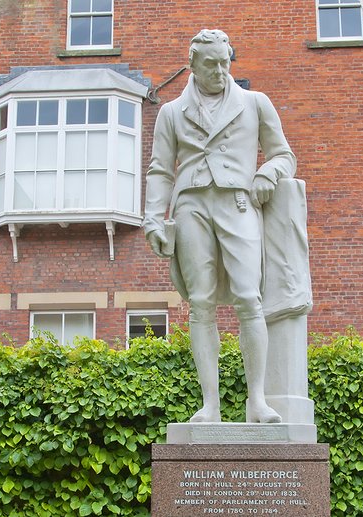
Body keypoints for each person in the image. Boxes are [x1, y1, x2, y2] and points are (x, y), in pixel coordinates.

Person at [144, 29, 296, 423]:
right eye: (209, 63)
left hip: (238, 202)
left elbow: (284, 155)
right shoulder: (171, 112)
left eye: (224, 62)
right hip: (191, 203)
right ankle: (210, 405)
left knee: (250, 298)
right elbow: (160, 171)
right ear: (192, 64)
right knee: (200, 304)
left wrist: (267, 172)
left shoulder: (255, 103)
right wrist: (152, 220)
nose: (218, 70)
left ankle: (257, 402)